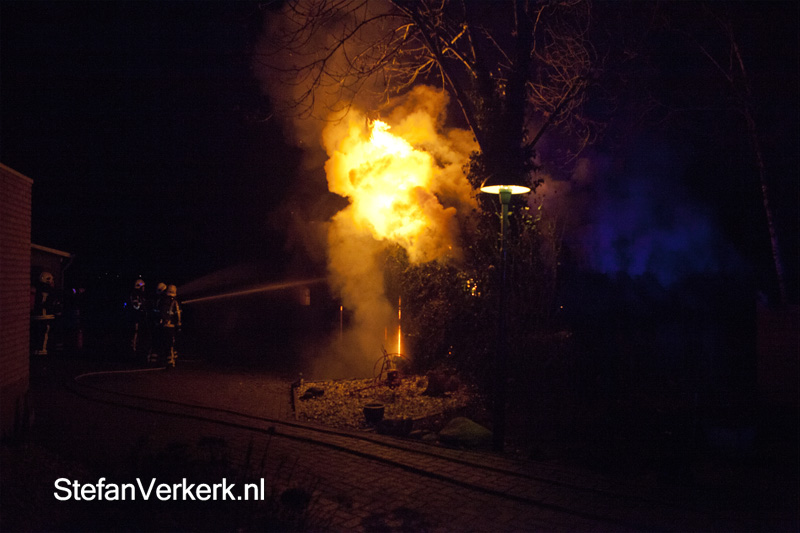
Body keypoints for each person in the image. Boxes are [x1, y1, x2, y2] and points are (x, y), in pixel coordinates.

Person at [159, 284, 182, 368]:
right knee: (171, 343)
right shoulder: (175, 302)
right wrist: (179, 324)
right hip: (171, 326)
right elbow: (178, 314)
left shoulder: (162, 301)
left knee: (165, 343)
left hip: (163, 326)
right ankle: (171, 361)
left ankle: (165, 360)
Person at [127, 278, 148, 356]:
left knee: (139, 333)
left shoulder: (140, 295)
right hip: (135, 317)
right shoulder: (135, 294)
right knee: (135, 332)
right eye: (142, 287)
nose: (144, 288)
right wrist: (142, 306)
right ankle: (133, 349)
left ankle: (137, 348)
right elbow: (136, 306)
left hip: (139, 317)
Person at [147, 282, 167, 363]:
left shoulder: (155, 299)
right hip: (158, 323)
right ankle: (157, 358)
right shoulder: (162, 300)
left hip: (155, 322)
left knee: (156, 341)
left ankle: (153, 359)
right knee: (158, 341)